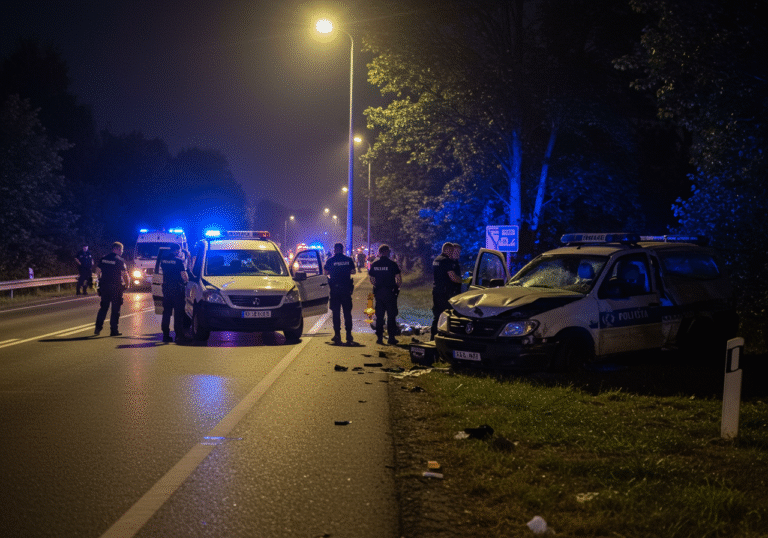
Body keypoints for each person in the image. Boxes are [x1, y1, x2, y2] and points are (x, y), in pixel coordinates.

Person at [94, 242, 130, 336]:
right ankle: (114, 331)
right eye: (121, 250)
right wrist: (127, 285)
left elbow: (97, 272)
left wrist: (98, 285)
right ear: (117, 249)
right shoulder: (120, 260)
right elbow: (125, 275)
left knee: (103, 308)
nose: (122, 252)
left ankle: (98, 328)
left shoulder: (103, 258)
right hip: (116, 288)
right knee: (115, 310)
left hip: (104, 287)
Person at [324, 242, 357, 344]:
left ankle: (337, 335)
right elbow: (353, 271)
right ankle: (348, 335)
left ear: (334, 249)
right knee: (347, 313)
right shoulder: (348, 260)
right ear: (342, 250)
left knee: (336, 314)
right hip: (346, 290)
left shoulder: (330, 260)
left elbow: (325, 273)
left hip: (335, 291)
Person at [369, 244, 402, 345]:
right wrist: (396, 287)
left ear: (379, 252)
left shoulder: (375, 264)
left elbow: (371, 279)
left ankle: (379, 338)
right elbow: (399, 279)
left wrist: (377, 286)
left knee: (379, 316)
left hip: (379, 293)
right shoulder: (392, 264)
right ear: (387, 252)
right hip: (390, 293)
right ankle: (391, 338)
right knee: (391, 316)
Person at [430, 242, 463, 339]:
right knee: (446, 315)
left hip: (436, 290)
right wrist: (465, 281)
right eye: (451, 251)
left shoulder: (437, 259)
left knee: (437, 315)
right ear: (446, 250)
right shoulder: (446, 261)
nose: (452, 253)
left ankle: (433, 337)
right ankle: (443, 336)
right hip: (445, 292)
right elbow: (453, 277)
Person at [160, 243, 189, 343]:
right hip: (177, 290)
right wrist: (187, 281)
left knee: (166, 313)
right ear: (177, 250)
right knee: (178, 314)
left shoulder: (163, 260)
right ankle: (179, 336)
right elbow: (184, 276)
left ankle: (165, 335)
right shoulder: (179, 261)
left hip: (166, 289)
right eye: (179, 251)